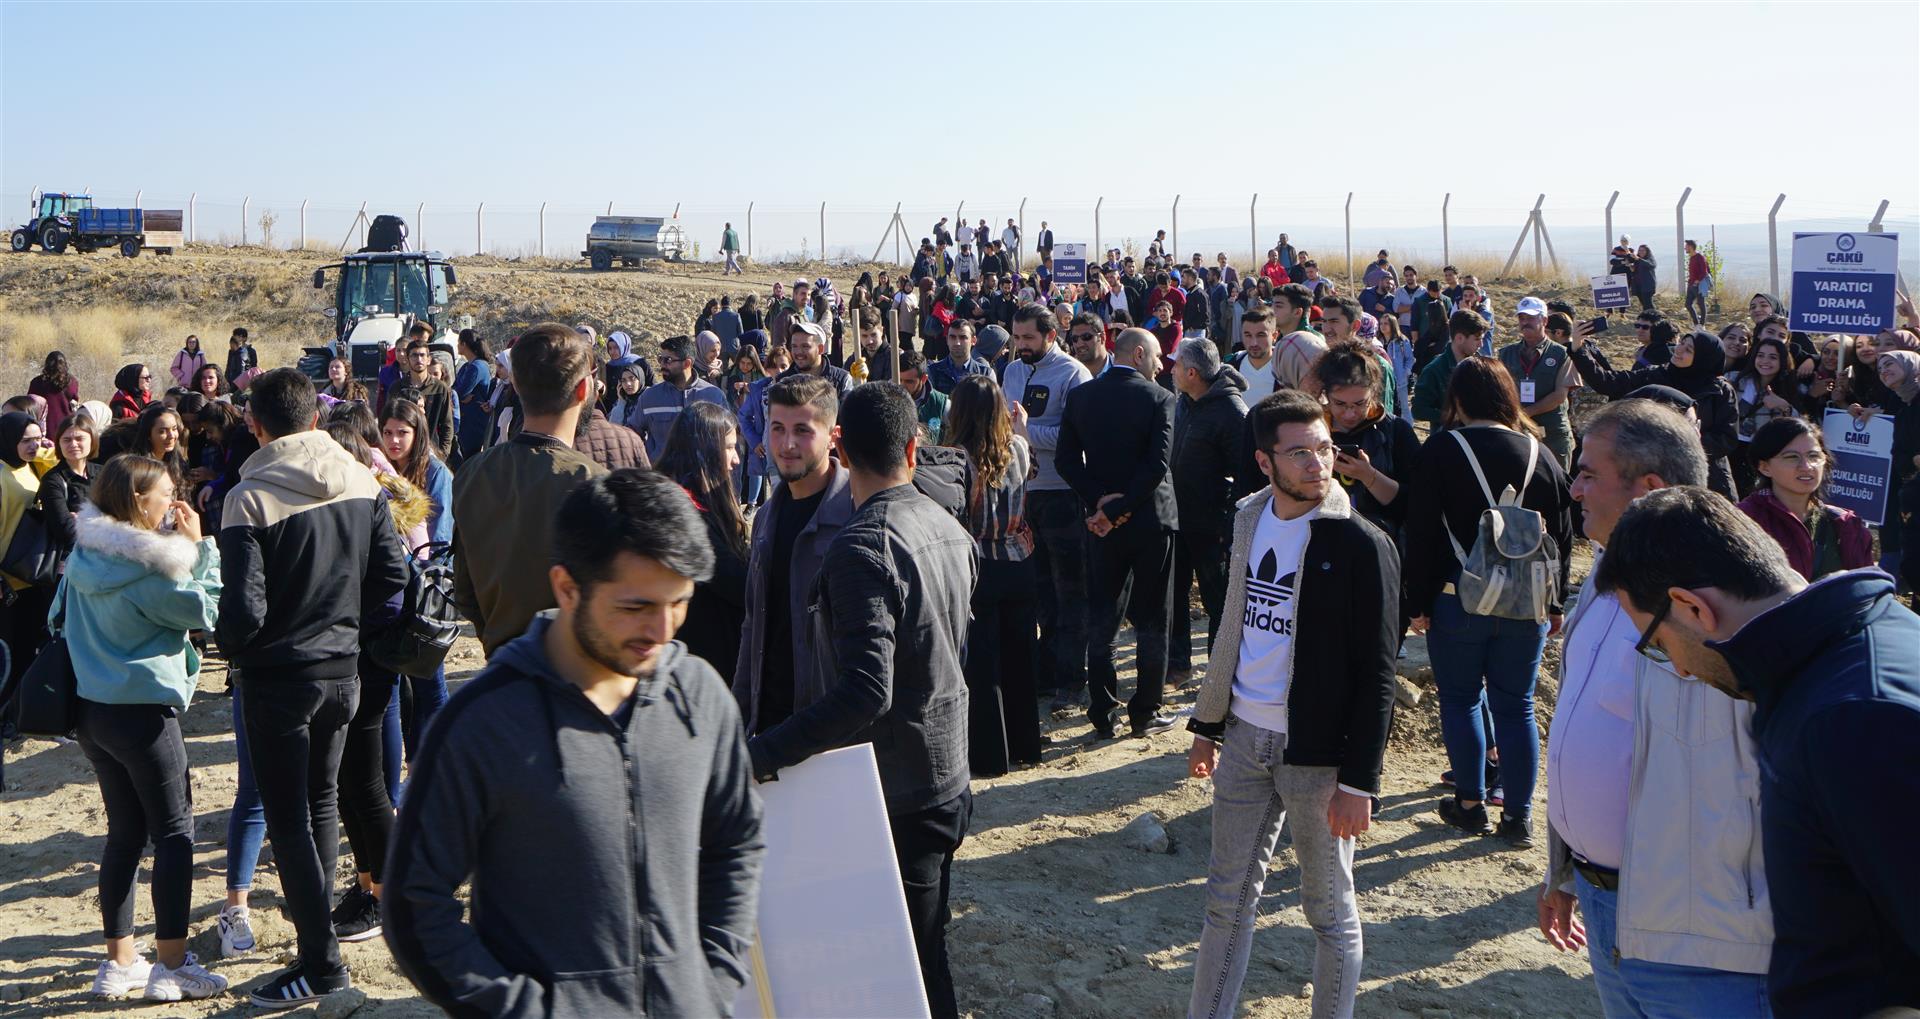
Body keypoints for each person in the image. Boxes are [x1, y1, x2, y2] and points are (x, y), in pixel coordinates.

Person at [386, 467, 763, 1016]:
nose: (662, 630)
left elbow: (738, 840)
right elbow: (414, 903)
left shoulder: (701, 697)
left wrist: (711, 977)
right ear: (567, 588)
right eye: (635, 606)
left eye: (678, 602)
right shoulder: (483, 723)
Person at [1592, 487, 1920, 1018]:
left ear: (1691, 607)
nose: (1679, 669)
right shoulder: (1837, 661)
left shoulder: (1853, 718)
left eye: (1658, 645)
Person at [745, 382, 975, 1019]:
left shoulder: (862, 544)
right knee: (922, 955)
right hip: (941, 773)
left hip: (897, 789)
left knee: (906, 971)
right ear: (913, 448)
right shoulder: (945, 524)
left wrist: (761, 753)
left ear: (840, 449)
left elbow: (867, 688)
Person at [1540, 401, 1774, 1017]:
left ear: (1648, 488)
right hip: (1602, 899)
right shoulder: (1604, 579)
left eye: (1589, 474)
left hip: (1698, 940)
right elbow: (1580, 726)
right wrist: (1565, 869)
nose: (1574, 489)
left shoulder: (1720, 611)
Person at [1183, 388, 1398, 1019]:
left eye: (1324, 448)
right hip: (1243, 738)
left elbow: (1378, 672)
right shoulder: (1248, 518)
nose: (1318, 463)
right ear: (1264, 461)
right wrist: (1207, 724)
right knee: (1226, 901)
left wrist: (1359, 781)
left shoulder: (1360, 542)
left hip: (1318, 756)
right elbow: (1233, 624)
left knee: (1328, 911)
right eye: (1299, 452)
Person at [215, 368, 408, 1008]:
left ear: (254, 425)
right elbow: (392, 575)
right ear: (316, 418)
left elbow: (243, 612)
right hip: (343, 671)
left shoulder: (247, 497)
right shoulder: (361, 479)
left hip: (278, 678)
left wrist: (231, 648)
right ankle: (317, 949)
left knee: (290, 820)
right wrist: (345, 625)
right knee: (321, 803)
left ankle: (322, 966)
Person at [62, 455, 229, 1002]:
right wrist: (201, 548)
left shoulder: (84, 555)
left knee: (125, 834)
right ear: (139, 500)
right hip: (142, 712)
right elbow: (206, 611)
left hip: (92, 709)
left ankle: (120, 962)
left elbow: (56, 617)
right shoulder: (147, 569)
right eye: (165, 493)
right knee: (175, 833)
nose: (173, 501)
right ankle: (172, 965)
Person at [1405, 357, 1575, 846]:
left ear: (1457, 399)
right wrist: (1556, 602)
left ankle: (1470, 803)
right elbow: (1563, 537)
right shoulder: (1541, 453)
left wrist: (1417, 602)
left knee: (1460, 700)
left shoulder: (1442, 449)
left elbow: (1421, 532)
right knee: (1517, 705)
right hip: (1527, 601)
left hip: (1459, 597)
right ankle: (1519, 816)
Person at [454, 325, 608, 657]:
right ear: (584, 389)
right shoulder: (594, 484)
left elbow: (464, 592)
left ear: (515, 383)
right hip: (575, 670)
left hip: (502, 660)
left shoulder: (473, 473)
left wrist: (499, 639)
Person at [1057, 327, 1181, 740]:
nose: (1161, 365)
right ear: (1139, 354)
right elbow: (1157, 465)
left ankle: (1103, 712)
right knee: (1153, 618)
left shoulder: (1081, 396)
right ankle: (1145, 711)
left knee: (1103, 617)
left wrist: (1102, 505)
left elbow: (1066, 462)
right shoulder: (1159, 397)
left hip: (1102, 525)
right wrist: (1118, 508)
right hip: (1151, 521)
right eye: (1158, 357)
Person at [940, 375, 1039, 777]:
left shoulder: (955, 458)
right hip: (1019, 560)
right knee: (1020, 657)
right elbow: (1032, 471)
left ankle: (990, 756)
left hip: (978, 563)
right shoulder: (1018, 448)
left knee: (982, 665)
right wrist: (1023, 429)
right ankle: (1026, 745)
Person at [1001, 304, 1094, 710]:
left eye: (1029, 338)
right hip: (1023, 494)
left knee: (1070, 590)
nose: (1021, 345)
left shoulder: (1074, 374)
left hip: (1062, 495)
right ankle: (1045, 672)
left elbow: (1080, 435)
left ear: (1051, 336)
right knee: (1037, 591)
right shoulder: (1012, 371)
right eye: (1017, 337)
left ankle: (1072, 680)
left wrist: (1028, 433)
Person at [1168, 337, 1255, 687]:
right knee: (1174, 594)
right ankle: (1178, 664)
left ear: (1192, 373)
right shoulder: (1185, 402)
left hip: (1212, 525)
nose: (1171, 370)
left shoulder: (1232, 412)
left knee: (1217, 600)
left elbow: (1246, 476)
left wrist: (1229, 524)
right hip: (1178, 518)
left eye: (1176, 365)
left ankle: (1219, 673)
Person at [1570, 325, 1740, 499]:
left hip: (1709, 477)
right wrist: (1578, 348)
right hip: (1659, 475)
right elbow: (1609, 383)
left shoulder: (1720, 391)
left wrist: (1687, 443)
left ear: (1704, 358)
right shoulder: (1658, 374)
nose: (1679, 350)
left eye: (1688, 350)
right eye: (1681, 343)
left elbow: (1726, 438)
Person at [655, 401, 748, 681]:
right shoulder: (678, 509)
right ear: (705, 450)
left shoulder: (694, 497)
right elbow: (735, 581)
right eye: (728, 447)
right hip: (697, 661)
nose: (736, 460)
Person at [1735, 417, 1873, 581]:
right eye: (1792, 457)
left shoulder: (1845, 525)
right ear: (1764, 467)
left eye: (1813, 456)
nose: (1806, 466)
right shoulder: (1743, 522)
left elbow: (1867, 588)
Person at [1319, 343, 1421, 548]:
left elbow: (1417, 502)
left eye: (1359, 404)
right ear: (1325, 395)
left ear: (1373, 393)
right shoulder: (1312, 431)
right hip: (1321, 543)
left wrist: (1369, 476)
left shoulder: (1396, 431)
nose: (1350, 414)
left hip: (1382, 545)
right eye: (1339, 404)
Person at [1497, 297, 1579, 467]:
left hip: (1552, 435)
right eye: (1521, 318)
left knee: (1557, 480)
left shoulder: (1563, 354)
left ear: (1545, 320)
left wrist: (1525, 413)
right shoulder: (1505, 354)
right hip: (1518, 433)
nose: (1525, 322)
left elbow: (1559, 395)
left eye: (1531, 318)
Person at [625, 335, 728, 464]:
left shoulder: (714, 396)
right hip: (661, 474)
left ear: (687, 363)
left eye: (668, 360)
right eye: (660, 359)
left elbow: (727, 438)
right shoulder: (649, 397)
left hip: (703, 474)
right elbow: (632, 434)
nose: (662, 365)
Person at [38, 410, 97, 562]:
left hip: (106, 558)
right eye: (66, 440)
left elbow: (121, 515)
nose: (73, 444)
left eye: (79, 438)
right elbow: (67, 531)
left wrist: (82, 521)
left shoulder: (104, 473)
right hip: (72, 561)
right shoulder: (52, 481)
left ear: (92, 440)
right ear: (59, 443)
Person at [1413, 311, 1490, 428]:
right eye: (1477, 339)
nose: (1481, 344)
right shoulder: (1435, 370)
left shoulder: (1480, 365)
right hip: (1449, 436)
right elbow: (1418, 410)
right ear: (1459, 338)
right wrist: (1451, 416)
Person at [779, 320, 857, 403]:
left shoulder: (842, 380)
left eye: (805, 346)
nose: (798, 352)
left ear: (820, 349)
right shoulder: (782, 382)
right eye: (794, 346)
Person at [451, 330, 494, 464]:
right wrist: (459, 396)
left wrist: (460, 396)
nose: (457, 346)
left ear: (464, 344)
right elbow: (453, 391)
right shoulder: (466, 366)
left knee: (470, 460)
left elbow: (461, 392)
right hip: (465, 421)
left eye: (459, 342)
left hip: (474, 421)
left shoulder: (477, 367)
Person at [928, 320, 993, 395]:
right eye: (952, 337)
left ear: (973, 341)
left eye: (963, 337)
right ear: (947, 340)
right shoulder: (933, 371)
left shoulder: (985, 373)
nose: (957, 343)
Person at [1232, 306, 1280, 403]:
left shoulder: (1286, 370)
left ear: (1274, 336)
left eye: (1261, 335)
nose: (1254, 343)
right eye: (1248, 335)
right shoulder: (1232, 367)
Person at [32, 350, 81, 437]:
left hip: (45, 427)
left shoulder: (37, 382)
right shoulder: (72, 382)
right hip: (66, 426)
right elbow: (74, 402)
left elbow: (31, 403)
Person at [1685, 239, 1711, 325]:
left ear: (1691, 247)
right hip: (1691, 284)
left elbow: (1704, 272)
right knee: (1688, 304)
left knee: (1701, 304)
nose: (1685, 248)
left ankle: (1702, 325)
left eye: (1686, 246)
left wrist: (1697, 281)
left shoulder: (1700, 257)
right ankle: (1696, 324)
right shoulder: (1691, 258)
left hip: (1698, 286)